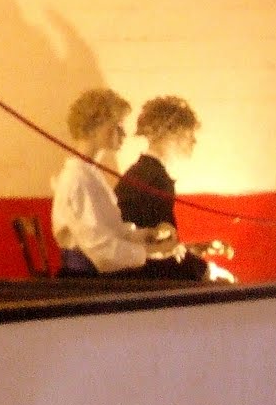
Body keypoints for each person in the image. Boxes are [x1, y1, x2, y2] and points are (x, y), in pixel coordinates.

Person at [50, 88, 188, 277]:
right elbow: (101, 250)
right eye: (117, 125)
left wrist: (149, 235)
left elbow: (113, 232)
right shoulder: (77, 179)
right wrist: (151, 252)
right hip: (87, 282)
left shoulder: (91, 174)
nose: (124, 133)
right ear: (95, 127)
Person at [115, 95, 213, 281]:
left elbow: (156, 241)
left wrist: (193, 249)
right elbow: (159, 250)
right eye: (189, 134)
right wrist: (206, 270)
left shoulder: (140, 172)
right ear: (171, 134)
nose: (194, 141)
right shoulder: (156, 179)